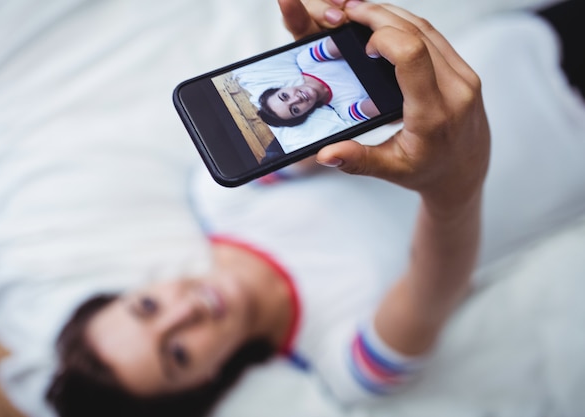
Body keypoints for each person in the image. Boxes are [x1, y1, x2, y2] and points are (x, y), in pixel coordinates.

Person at [46, 0, 585, 416]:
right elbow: (436, 284)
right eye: (178, 354)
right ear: (205, 381)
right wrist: (451, 181)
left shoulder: (223, 197)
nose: (185, 313)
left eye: (147, 308)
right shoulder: (344, 367)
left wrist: (322, 65)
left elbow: (310, 127)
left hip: (524, 48)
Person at [257, 36, 381, 128]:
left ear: (283, 88)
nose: (296, 100)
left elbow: (349, 38)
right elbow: (389, 100)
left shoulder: (307, 61)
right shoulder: (346, 110)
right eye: (295, 109)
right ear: (303, 114)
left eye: (285, 96)